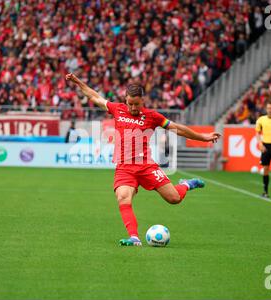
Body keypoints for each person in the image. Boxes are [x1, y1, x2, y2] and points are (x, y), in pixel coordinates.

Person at [65, 73, 221, 246]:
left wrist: (203, 137)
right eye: (130, 104)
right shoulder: (117, 109)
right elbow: (94, 96)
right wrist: (77, 81)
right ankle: (134, 238)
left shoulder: (152, 116)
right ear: (125, 100)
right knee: (123, 197)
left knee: (174, 198)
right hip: (125, 167)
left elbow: (177, 128)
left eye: (136, 104)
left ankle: (186, 184)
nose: (133, 108)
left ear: (143, 101)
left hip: (146, 166)